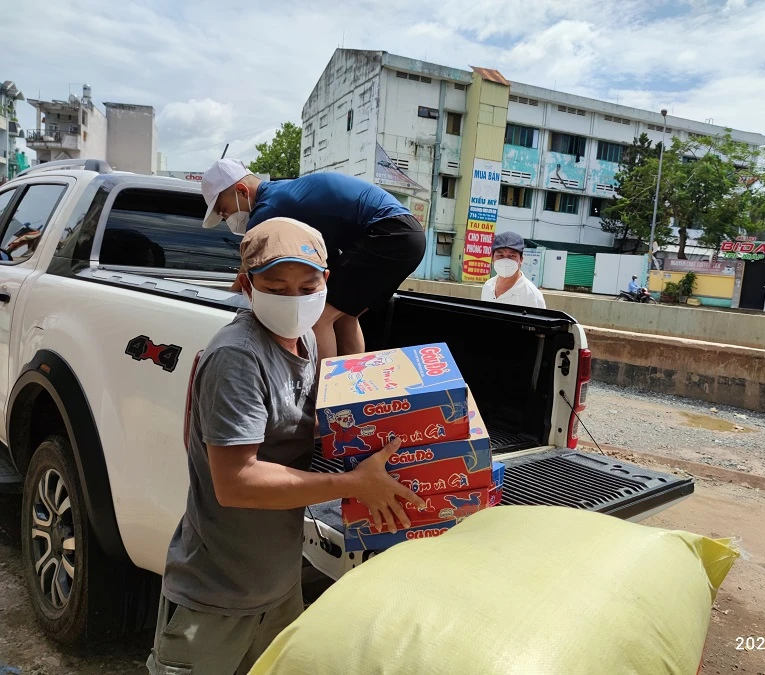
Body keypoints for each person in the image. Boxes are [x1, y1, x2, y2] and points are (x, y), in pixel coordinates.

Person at [147, 217, 425, 675]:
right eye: (276, 288)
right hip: (215, 596)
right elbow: (236, 482)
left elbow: (310, 423)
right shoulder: (238, 356)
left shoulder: (306, 342)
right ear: (247, 285)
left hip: (278, 587)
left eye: (307, 288)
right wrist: (355, 484)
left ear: (326, 282)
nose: (294, 300)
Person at [200, 159, 426, 361]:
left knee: (318, 318)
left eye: (223, 210)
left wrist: (225, 304)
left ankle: (323, 392)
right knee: (345, 316)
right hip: (403, 231)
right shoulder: (282, 191)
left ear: (241, 191)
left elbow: (246, 273)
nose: (225, 218)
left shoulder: (267, 210)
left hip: (388, 234)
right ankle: (350, 387)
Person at [480, 231, 546, 309]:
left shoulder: (532, 295)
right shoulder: (488, 286)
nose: (505, 260)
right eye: (500, 255)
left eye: (511, 256)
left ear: (521, 259)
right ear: (492, 258)